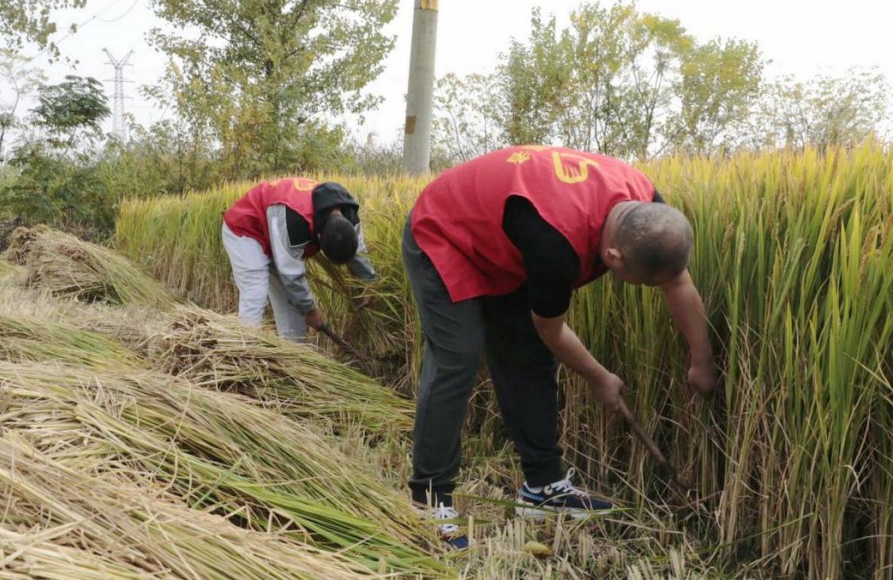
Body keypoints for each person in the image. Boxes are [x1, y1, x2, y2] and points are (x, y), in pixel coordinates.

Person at [401, 145, 717, 549]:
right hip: (446, 231)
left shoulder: (649, 210)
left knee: (528, 359)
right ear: (612, 257)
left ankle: (543, 488)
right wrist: (600, 377)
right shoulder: (555, 247)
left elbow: (678, 281)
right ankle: (428, 500)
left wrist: (701, 361)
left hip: (506, 236)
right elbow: (550, 328)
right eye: (641, 282)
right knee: (457, 359)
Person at [222, 177, 377, 341]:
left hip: (276, 234)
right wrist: (309, 310)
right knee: (255, 292)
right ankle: (245, 351)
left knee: (291, 307)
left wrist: (369, 281)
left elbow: (357, 250)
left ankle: (293, 358)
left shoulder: (349, 214)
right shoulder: (295, 220)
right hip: (246, 230)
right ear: (318, 236)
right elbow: (290, 273)